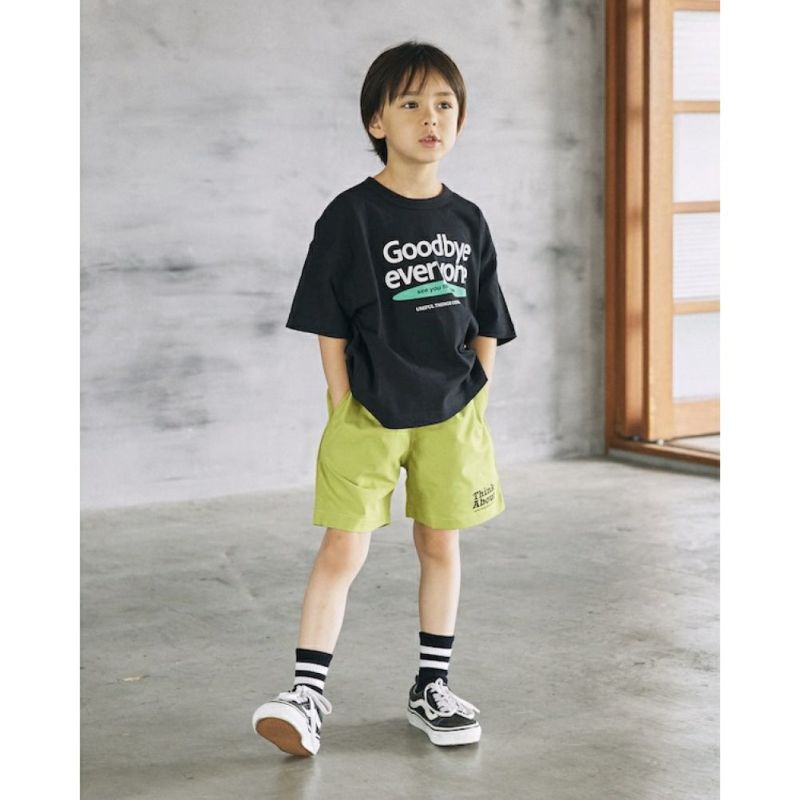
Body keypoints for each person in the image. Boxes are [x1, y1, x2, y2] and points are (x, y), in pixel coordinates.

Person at [251, 40, 516, 756]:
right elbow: (329, 323)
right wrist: (344, 402)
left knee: (440, 543)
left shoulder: (468, 219)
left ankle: (432, 686)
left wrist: (477, 393)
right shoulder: (351, 216)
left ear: (459, 119)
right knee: (344, 546)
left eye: (444, 105)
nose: (431, 118)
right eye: (411, 104)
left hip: (451, 413)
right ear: (377, 121)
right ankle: (306, 695)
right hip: (367, 413)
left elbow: (487, 316)